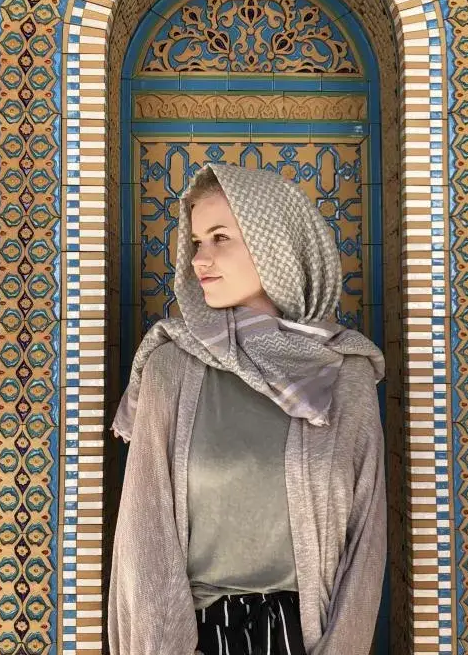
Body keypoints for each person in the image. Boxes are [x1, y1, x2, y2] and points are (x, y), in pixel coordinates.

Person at [108, 162, 387, 655]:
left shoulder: (346, 373)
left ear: (274, 245)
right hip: (196, 640)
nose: (200, 259)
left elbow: (365, 542)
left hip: (308, 639)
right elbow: (142, 536)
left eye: (220, 238)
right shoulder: (171, 366)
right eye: (196, 242)